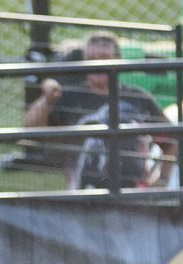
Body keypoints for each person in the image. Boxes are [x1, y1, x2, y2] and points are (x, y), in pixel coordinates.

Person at [24, 31, 171, 190]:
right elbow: (31, 130)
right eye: (91, 58)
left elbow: (171, 142)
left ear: (117, 60)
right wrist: (46, 99)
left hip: (133, 195)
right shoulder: (70, 97)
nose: (97, 64)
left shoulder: (138, 98)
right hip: (84, 195)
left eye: (104, 57)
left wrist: (162, 180)